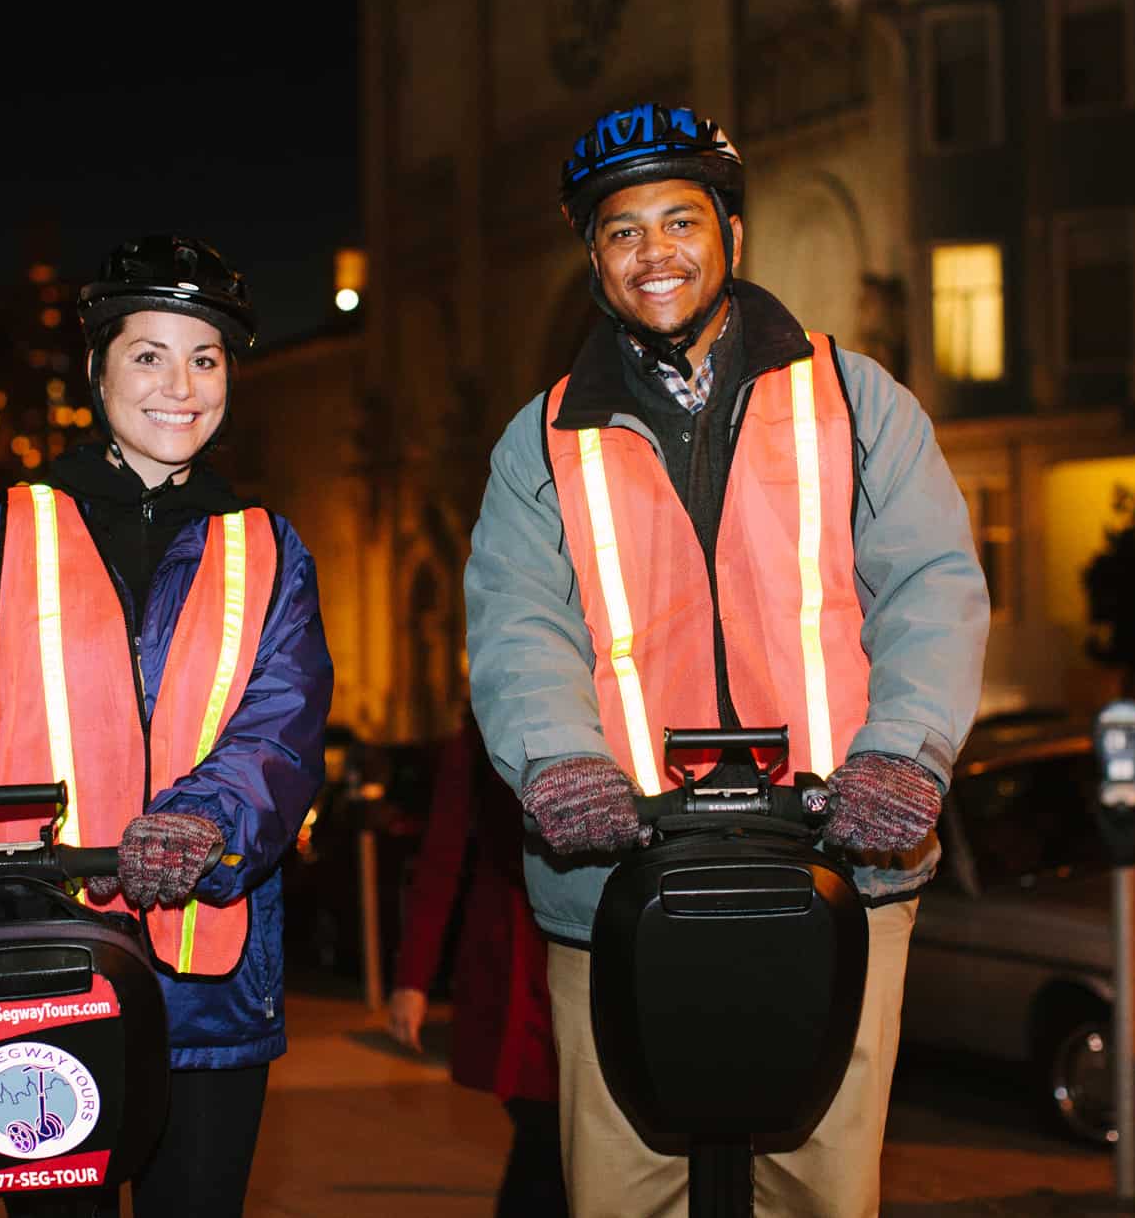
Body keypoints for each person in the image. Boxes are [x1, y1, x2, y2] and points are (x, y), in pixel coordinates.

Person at [463, 104, 990, 1218]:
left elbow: (932, 586)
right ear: (592, 258)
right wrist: (558, 764)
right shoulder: (542, 437)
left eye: (679, 219)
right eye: (621, 231)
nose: (654, 253)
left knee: (818, 1187)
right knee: (624, 1190)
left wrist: (902, 758)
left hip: (836, 862)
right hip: (611, 873)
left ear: (732, 237)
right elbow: (517, 623)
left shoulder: (856, 400)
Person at [0, 233, 334, 1218]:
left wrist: (201, 825)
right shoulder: (1, 539)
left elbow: (281, 727)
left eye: (205, 358)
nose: (178, 385)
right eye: (148, 355)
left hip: (206, 979)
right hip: (34, 956)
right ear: (95, 372)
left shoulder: (270, 549)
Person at [386, 710, 568, 1218]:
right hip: (517, 964)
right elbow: (443, 852)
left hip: (597, 950)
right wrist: (412, 980)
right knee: (545, 1139)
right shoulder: (486, 719)